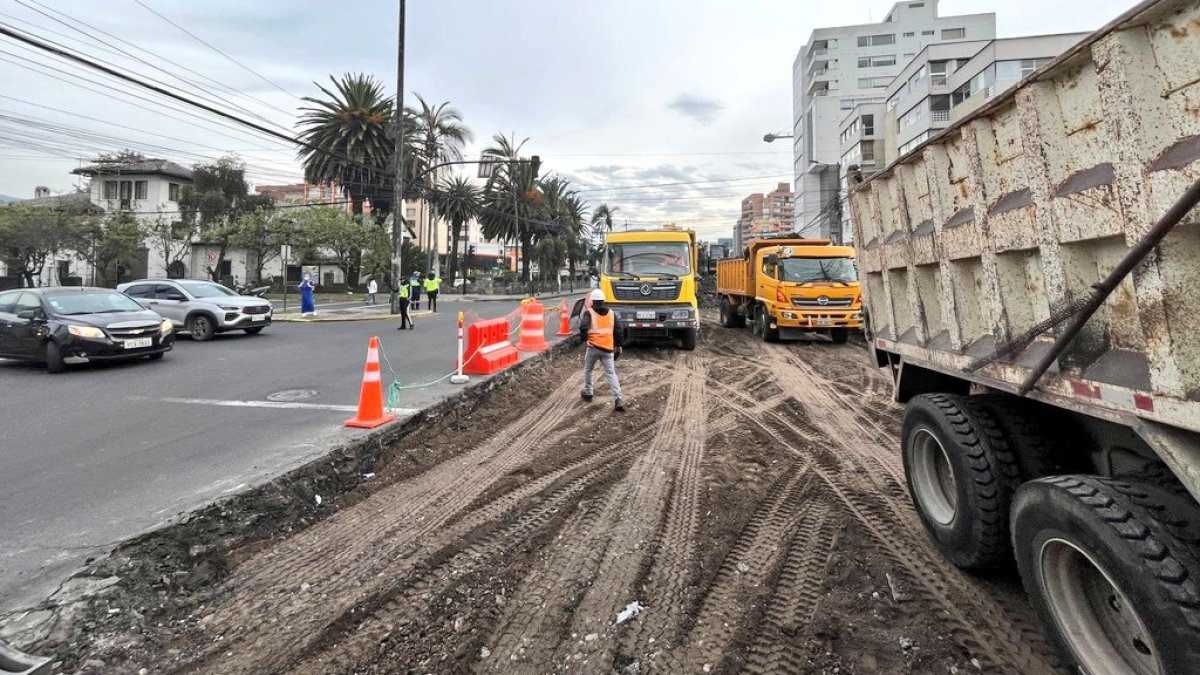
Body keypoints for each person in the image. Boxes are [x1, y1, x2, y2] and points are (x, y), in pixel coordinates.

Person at [579, 288, 626, 411]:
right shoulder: (611, 313)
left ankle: (588, 392)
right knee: (611, 374)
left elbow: (583, 327)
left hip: (593, 348)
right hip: (608, 349)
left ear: (592, 301)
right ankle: (618, 399)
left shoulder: (588, 313)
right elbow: (619, 330)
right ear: (603, 301)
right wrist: (618, 345)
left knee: (588, 370)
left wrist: (585, 340)